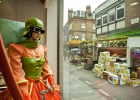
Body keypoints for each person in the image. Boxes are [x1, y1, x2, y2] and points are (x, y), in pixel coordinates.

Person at [8, 17, 62, 100]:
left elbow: (45, 66)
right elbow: (17, 72)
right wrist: (24, 93)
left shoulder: (41, 48)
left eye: (42, 31)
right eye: (36, 29)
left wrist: (51, 82)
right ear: (29, 30)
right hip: (26, 87)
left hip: (40, 85)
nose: (39, 33)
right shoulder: (18, 49)